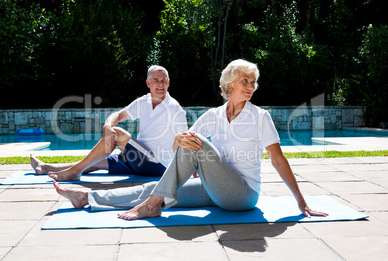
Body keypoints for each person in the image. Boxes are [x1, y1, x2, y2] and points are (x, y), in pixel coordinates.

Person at [53, 59, 328, 220]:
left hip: (242, 194)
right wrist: (180, 140)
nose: (251, 87)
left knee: (194, 145)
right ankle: (88, 197)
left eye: (254, 82)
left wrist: (301, 202)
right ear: (230, 83)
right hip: (213, 189)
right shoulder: (212, 115)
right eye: (245, 81)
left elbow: (278, 159)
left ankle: (152, 206)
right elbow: (177, 147)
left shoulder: (260, 117)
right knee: (156, 186)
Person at [31, 65, 188, 181]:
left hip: (158, 164)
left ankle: (74, 173)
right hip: (136, 159)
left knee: (118, 133)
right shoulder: (144, 101)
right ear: (148, 83)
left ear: (168, 82)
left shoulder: (175, 109)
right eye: (156, 81)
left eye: (164, 81)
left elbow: (186, 142)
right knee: (93, 161)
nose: (160, 85)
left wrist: (191, 169)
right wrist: (107, 126)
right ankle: (45, 167)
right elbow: (119, 115)